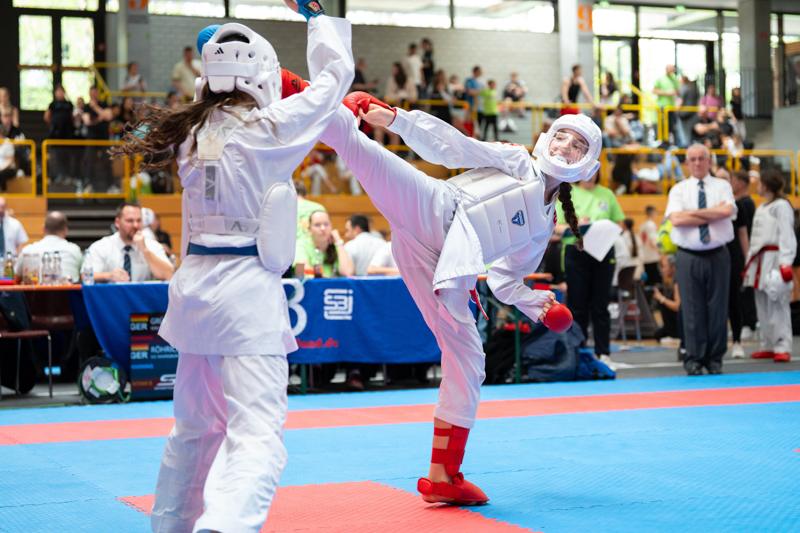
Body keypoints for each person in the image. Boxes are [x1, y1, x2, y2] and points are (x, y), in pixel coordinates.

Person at [112, 5, 353, 531]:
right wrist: (316, 16)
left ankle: (172, 526)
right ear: (263, 75)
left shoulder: (187, 131)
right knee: (257, 433)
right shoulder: (272, 128)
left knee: (194, 430)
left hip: (194, 291)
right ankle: (223, 526)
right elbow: (336, 78)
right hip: (246, 295)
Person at [318, 91, 595, 504]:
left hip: (447, 262)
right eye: (562, 136)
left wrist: (537, 303)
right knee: (360, 147)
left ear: (587, 163)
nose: (565, 146)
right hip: (436, 207)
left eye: (578, 145)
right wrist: (395, 119)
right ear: (546, 138)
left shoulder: (544, 223)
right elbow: (455, 146)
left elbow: (505, 279)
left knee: (468, 358)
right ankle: (281, 87)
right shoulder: (519, 160)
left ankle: (443, 476)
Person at [665, 143, 736, 375]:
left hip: (718, 254)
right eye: (693, 159)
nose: (697, 163)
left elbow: (726, 212)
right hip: (688, 255)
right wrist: (712, 213)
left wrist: (692, 212)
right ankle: (694, 360)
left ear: (709, 161)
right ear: (687, 163)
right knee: (692, 310)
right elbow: (677, 220)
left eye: (701, 158)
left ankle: (715, 360)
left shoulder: (722, 186)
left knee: (718, 308)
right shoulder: (679, 189)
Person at [556, 171, 625, 370]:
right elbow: (555, 226)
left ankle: (603, 353)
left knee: (600, 305)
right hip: (577, 251)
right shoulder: (567, 193)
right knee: (577, 305)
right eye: (587, 172)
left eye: (594, 171)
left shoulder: (607, 194)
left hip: (602, 250)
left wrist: (604, 226)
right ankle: (579, 353)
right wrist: (577, 225)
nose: (590, 175)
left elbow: (620, 222)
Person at [743, 170, 796, 363]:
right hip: (759, 259)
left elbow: (787, 235)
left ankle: (782, 345)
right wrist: (749, 264)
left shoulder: (781, 206)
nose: (757, 187)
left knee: (777, 302)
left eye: (759, 184)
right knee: (762, 303)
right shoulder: (762, 207)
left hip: (775, 258)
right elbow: (755, 239)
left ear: (766, 186)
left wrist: (785, 262)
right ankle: (767, 344)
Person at [86, 202, 173, 282]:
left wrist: (145, 251)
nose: (135, 225)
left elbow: (169, 275)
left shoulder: (152, 245)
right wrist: (109, 275)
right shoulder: (101, 246)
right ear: (117, 222)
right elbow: (86, 276)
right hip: (112, 293)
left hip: (141, 294)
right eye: (130, 221)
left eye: (139, 220)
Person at [716, 167, 749, 359]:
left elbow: (743, 235)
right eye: (718, 178)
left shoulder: (737, 206)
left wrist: (747, 260)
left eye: (725, 179)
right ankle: (715, 342)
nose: (721, 182)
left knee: (734, 300)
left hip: (733, 258)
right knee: (714, 302)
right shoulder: (709, 205)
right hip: (713, 256)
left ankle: (737, 342)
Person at [15, 211, 82, 282]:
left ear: (43, 229)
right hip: (69, 289)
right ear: (65, 231)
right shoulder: (75, 250)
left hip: (35, 289)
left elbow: (16, 279)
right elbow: (83, 276)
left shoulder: (27, 251)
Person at [732, 169, 758, 337]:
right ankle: (742, 323)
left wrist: (747, 253)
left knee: (746, 288)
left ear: (741, 184)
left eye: (733, 181)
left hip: (744, 250)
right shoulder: (736, 203)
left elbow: (745, 232)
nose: (730, 185)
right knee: (737, 290)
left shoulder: (746, 204)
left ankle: (750, 323)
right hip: (737, 250)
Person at [294, 210, 354, 277]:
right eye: (317, 225)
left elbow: (348, 272)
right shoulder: (301, 245)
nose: (323, 228)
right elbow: (301, 271)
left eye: (326, 224)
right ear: (309, 229)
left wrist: (339, 242)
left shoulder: (336, 246)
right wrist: (326, 280)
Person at [82, 86, 115, 193]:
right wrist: (101, 116)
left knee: (108, 161)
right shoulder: (86, 107)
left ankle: (110, 186)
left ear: (97, 93)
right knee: (89, 162)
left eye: (95, 92)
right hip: (91, 139)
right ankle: (89, 185)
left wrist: (95, 107)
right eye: (91, 92)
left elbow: (109, 116)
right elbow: (88, 121)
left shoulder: (104, 104)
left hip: (104, 138)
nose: (93, 94)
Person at [44, 85, 75, 183]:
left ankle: (67, 175)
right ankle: (57, 175)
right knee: (56, 155)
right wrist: (54, 125)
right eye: (58, 91)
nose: (60, 93)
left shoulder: (69, 104)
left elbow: (72, 117)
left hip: (67, 134)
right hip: (56, 135)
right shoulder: (53, 104)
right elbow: (46, 117)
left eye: (62, 91)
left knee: (66, 155)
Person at [652, 254, 681, 343]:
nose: (662, 270)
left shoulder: (677, 281)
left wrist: (661, 298)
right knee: (657, 335)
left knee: (662, 303)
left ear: (673, 268)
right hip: (674, 320)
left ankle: (675, 335)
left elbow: (678, 306)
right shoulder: (669, 281)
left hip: (681, 319)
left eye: (664, 266)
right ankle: (671, 332)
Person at [653, 65, 680, 142]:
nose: (672, 70)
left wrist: (675, 93)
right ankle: (661, 141)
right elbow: (654, 91)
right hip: (662, 106)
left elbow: (678, 91)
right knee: (662, 125)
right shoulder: (660, 79)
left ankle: (668, 142)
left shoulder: (674, 79)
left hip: (671, 107)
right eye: (671, 68)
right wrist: (667, 93)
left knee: (670, 126)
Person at [640, 205, 662, 286]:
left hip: (645, 257)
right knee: (656, 282)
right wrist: (659, 251)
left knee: (648, 282)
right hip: (652, 257)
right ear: (653, 213)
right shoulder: (651, 225)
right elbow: (651, 241)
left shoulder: (642, 225)